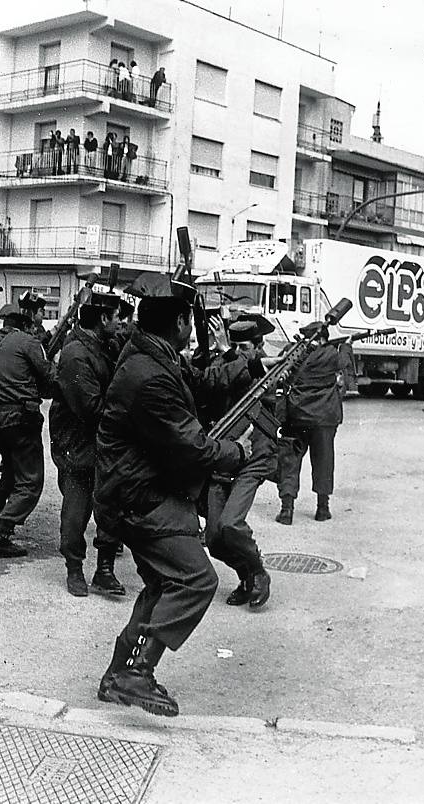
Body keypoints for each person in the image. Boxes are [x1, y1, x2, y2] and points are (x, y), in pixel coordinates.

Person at [94, 273, 252, 717]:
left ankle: (118, 672)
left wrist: (242, 361)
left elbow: (201, 384)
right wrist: (236, 452)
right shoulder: (149, 375)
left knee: (163, 583)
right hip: (140, 494)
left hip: (136, 487)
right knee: (196, 580)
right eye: (190, 320)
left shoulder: (152, 353)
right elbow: (192, 446)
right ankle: (135, 674)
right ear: (181, 321)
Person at [49, 291, 124, 598]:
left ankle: (104, 570)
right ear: (103, 319)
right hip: (78, 444)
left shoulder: (106, 345)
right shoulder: (76, 354)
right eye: (117, 316)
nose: (121, 322)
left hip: (104, 442)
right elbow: (90, 407)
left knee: (111, 507)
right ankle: (74, 569)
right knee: (76, 512)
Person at [199, 314, 277, 609]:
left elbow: (260, 393)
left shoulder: (270, 368)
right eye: (237, 347)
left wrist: (231, 357)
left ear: (259, 346)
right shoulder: (225, 363)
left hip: (254, 455)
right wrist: (226, 355)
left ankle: (258, 573)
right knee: (215, 538)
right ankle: (246, 577)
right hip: (225, 455)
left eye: (246, 347)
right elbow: (211, 383)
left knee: (231, 523)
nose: (243, 353)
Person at [0, 303, 56, 558]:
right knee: (31, 481)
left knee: (13, 470)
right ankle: (1, 534)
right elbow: (49, 376)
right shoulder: (27, 342)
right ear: (26, 323)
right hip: (20, 419)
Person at [275, 321, 344, 525]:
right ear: (323, 337)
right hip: (324, 418)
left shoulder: (293, 352)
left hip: (296, 416)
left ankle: (287, 510)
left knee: (290, 461)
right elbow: (346, 362)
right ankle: (323, 508)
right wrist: (346, 344)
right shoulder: (332, 354)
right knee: (324, 461)